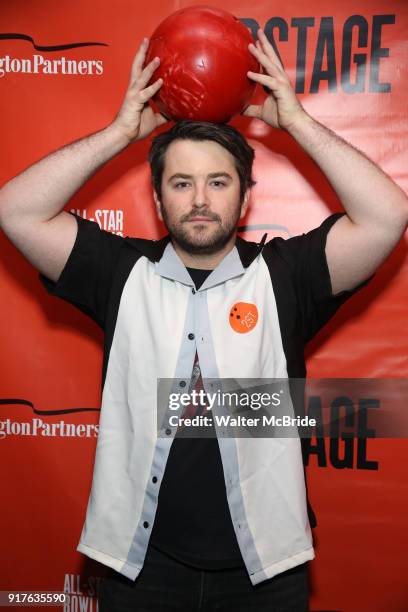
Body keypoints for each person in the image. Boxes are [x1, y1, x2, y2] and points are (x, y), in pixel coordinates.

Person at [0, 30, 407, 612]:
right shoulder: (119, 272)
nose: (199, 200)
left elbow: (387, 217)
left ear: (244, 200)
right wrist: (120, 134)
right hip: (140, 571)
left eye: (218, 183)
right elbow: (16, 210)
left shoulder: (284, 276)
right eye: (181, 183)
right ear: (159, 200)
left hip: (264, 572)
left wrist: (295, 122)